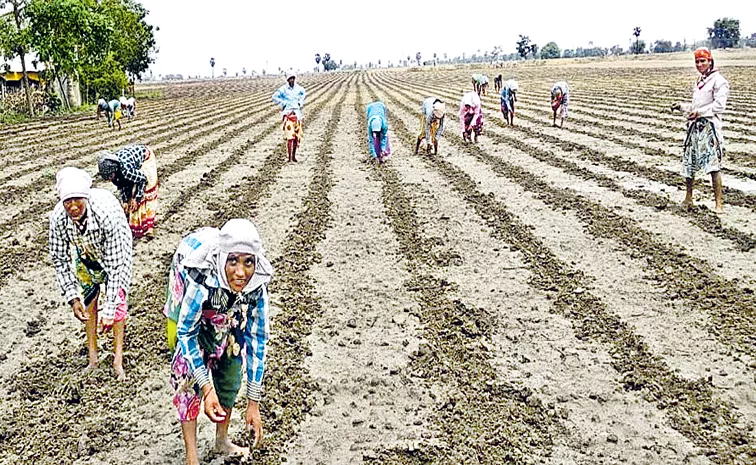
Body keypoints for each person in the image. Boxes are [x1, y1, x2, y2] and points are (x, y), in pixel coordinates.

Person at [164, 219, 273, 465]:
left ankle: (222, 440)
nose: (241, 272)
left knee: (232, 366)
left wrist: (253, 403)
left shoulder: (256, 285)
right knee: (187, 374)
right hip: (189, 295)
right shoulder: (200, 273)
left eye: (248, 262)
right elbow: (186, 332)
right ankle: (191, 456)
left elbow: (258, 339)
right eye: (233, 261)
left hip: (227, 305)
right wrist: (206, 387)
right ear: (223, 258)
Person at [48, 167, 133, 381]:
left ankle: (117, 360)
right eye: (68, 201)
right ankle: (93, 358)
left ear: (85, 197)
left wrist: (110, 308)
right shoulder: (59, 218)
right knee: (88, 300)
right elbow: (59, 258)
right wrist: (71, 296)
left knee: (118, 306)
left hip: (114, 249)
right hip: (85, 251)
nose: (73, 206)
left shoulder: (105, 215)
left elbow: (115, 267)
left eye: (78, 200)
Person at [671, 47, 729, 213]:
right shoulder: (700, 81)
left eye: (703, 61)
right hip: (694, 128)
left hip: (709, 128)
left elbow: (719, 106)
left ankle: (718, 204)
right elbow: (696, 107)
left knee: (713, 165)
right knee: (689, 163)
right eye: (697, 61)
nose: (699, 64)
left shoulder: (719, 81)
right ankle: (688, 198)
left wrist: (700, 112)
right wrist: (682, 107)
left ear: (710, 61)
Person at [98, 144, 159, 239]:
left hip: (146, 157)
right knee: (131, 198)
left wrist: (136, 199)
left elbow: (142, 179)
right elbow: (123, 185)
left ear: (114, 170)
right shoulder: (115, 173)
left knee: (147, 192)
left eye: (110, 176)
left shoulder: (126, 170)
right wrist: (126, 201)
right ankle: (135, 223)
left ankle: (148, 227)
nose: (109, 179)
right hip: (132, 164)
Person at [272, 73, 306, 162]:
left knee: (296, 137)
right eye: (290, 79)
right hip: (288, 115)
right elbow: (274, 97)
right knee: (290, 136)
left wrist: (300, 103)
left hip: (297, 114)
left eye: (293, 78)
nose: (292, 80)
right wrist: (284, 103)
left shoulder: (299, 89)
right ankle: (289, 157)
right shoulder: (283, 89)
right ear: (287, 80)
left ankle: (294, 156)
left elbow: (303, 94)